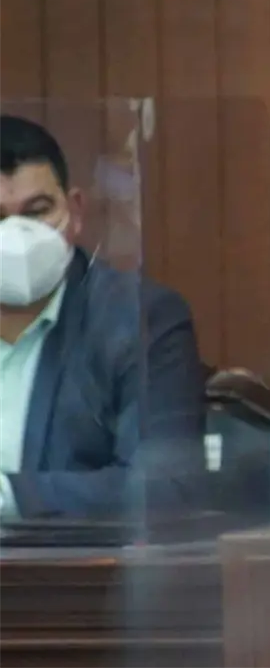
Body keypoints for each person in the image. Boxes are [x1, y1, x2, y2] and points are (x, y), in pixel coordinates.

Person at [0, 114, 207, 519]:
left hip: (63, 560)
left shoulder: (140, 319)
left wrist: (7, 496)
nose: (15, 237)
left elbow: (165, 487)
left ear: (75, 211)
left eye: (37, 211)